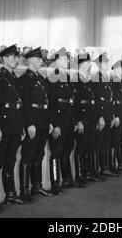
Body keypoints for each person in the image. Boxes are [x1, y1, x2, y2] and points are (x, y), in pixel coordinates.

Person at [0, 44, 24, 210]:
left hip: (15, 125)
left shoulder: (14, 78)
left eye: (16, 57)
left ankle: (10, 194)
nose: (15, 59)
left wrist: (21, 126)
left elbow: (19, 105)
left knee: (10, 161)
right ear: (3, 58)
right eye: (12, 57)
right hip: (3, 126)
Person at [19, 47, 53, 202]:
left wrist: (49, 121)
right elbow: (25, 104)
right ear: (29, 60)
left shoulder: (41, 78)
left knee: (39, 154)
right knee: (27, 155)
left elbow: (47, 102)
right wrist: (29, 124)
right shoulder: (25, 79)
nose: (41, 60)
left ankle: (36, 186)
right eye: (37, 58)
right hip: (33, 121)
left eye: (40, 58)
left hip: (43, 120)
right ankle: (24, 190)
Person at [47, 47, 76, 194]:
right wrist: (55, 124)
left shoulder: (68, 77)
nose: (68, 61)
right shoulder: (53, 76)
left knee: (66, 151)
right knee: (56, 153)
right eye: (65, 59)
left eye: (68, 58)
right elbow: (51, 103)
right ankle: (55, 184)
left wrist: (74, 121)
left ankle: (67, 179)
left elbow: (71, 101)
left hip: (69, 120)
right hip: (59, 121)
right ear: (57, 60)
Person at [73, 52, 97, 186]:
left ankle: (87, 174)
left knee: (89, 146)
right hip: (83, 117)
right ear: (81, 64)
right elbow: (75, 103)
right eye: (88, 62)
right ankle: (79, 176)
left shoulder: (88, 79)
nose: (89, 64)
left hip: (91, 116)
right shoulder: (76, 79)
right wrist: (79, 121)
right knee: (81, 148)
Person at [92, 52, 117, 177]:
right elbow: (97, 100)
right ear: (99, 64)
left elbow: (109, 99)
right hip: (101, 115)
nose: (108, 64)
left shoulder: (105, 78)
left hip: (107, 114)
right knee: (99, 143)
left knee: (106, 142)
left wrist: (111, 115)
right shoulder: (96, 78)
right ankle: (97, 170)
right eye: (106, 62)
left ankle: (105, 168)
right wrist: (100, 117)